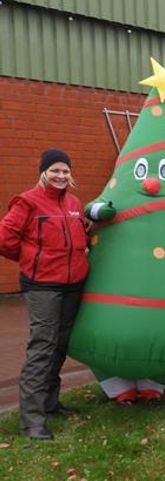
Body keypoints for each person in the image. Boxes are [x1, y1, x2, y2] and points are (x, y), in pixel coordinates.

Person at [0, 149, 89, 440]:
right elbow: (5, 238)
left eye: (65, 171)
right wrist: (31, 259)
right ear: (44, 172)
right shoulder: (28, 201)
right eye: (55, 171)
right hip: (43, 286)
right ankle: (32, 421)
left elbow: (82, 237)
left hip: (73, 284)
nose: (61, 176)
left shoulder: (74, 203)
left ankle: (50, 404)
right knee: (43, 347)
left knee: (60, 345)